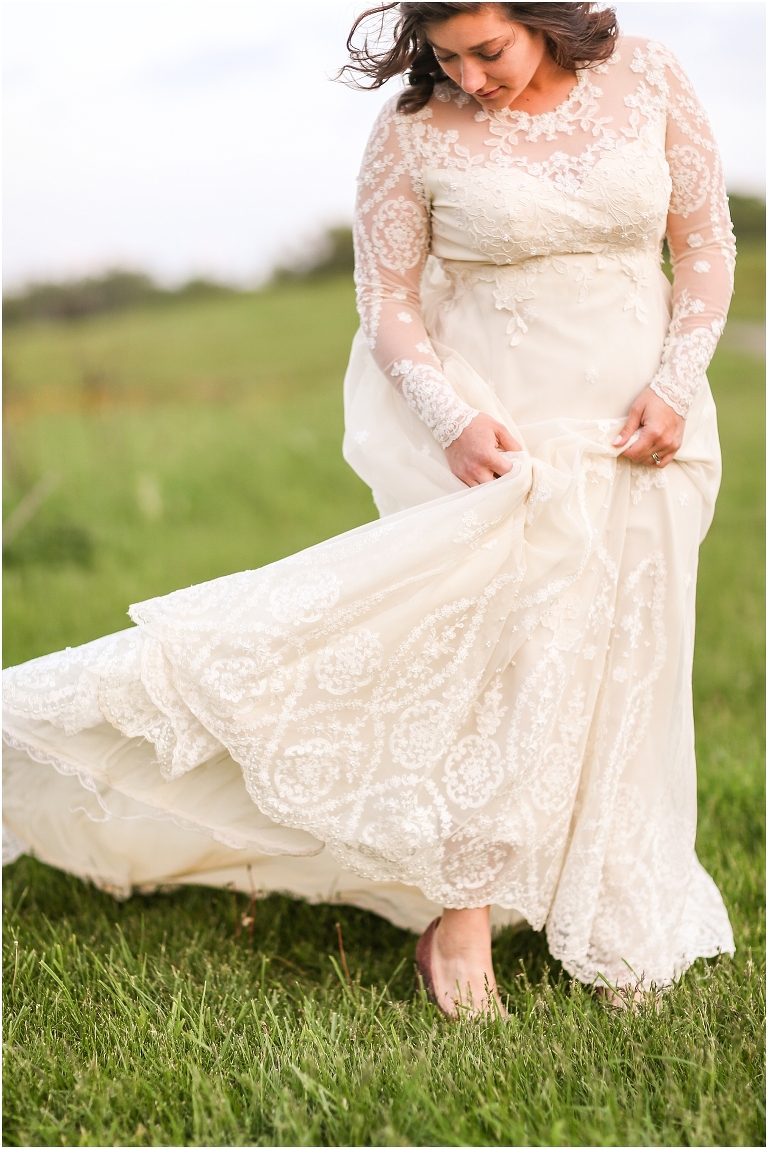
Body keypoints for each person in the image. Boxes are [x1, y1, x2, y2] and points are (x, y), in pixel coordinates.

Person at [3, 2, 735, 1017]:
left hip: (646, 427)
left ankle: (619, 913)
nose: (471, 78)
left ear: (545, 17)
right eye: (446, 57)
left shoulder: (650, 78)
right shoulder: (412, 131)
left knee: (628, 654)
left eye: (491, 51)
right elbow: (384, 299)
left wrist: (680, 377)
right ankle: (461, 913)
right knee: (491, 661)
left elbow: (703, 247)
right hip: (500, 433)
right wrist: (448, 420)